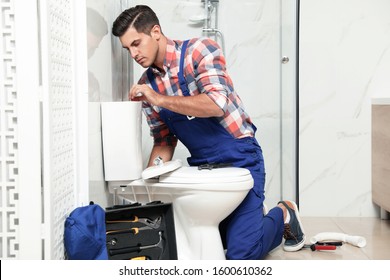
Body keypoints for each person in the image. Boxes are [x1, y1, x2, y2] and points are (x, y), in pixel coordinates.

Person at [112, 5, 305, 259]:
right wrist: (148, 188)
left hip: (242, 158)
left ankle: (283, 213)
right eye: (128, 49)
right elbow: (163, 140)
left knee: (240, 256)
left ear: (156, 32)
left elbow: (216, 104)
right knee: (200, 242)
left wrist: (158, 99)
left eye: (136, 43)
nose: (134, 54)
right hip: (205, 166)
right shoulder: (148, 85)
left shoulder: (198, 51)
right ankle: (249, 220)